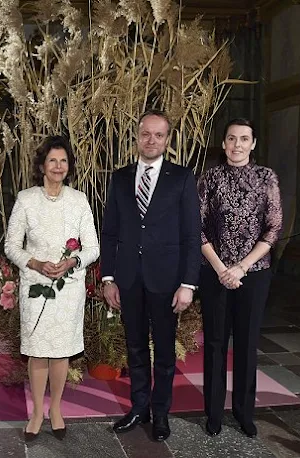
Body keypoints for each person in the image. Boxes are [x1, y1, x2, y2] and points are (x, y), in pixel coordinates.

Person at [101, 109, 201, 442]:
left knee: (165, 352)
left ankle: (161, 414)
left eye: (159, 135)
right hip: (128, 279)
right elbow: (110, 232)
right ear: (137, 137)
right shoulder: (119, 177)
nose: (151, 140)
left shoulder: (183, 178)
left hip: (167, 280)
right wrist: (108, 277)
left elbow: (191, 234)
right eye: (146, 134)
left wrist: (188, 284)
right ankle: (139, 408)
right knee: (135, 348)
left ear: (167, 140)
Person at [4, 135, 100, 441]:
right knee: (38, 352)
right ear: (42, 165)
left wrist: (72, 262)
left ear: (68, 166)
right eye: (52, 160)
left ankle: (56, 409)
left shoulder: (79, 200)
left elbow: (93, 248)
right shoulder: (25, 199)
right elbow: (11, 246)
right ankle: (36, 412)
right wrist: (34, 264)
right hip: (35, 286)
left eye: (63, 161)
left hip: (69, 288)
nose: (58, 166)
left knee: (60, 353)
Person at [197, 118, 282, 438]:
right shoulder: (211, 178)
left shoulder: (266, 177)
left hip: (254, 274)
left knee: (247, 344)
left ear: (253, 144)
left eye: (244, 139)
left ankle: (245, 413)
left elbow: (273, 227)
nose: (237, 145)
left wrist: (242, 267)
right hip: (214, 272)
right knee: (216, 344)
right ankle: (214, 413)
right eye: (231, 139)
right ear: (223, 143)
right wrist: (221, 268)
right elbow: (198, 227)